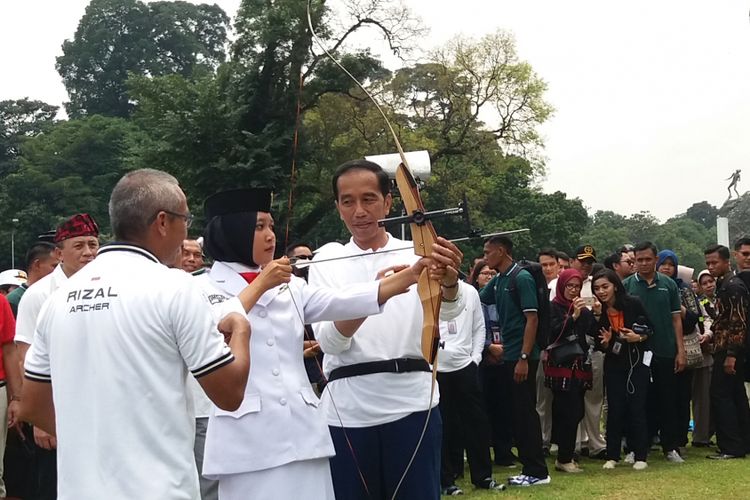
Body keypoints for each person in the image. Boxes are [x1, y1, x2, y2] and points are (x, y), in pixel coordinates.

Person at [201, 187, 464, 500]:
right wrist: (260, 284)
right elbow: (216, 324)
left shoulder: (290, 286)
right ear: (232, 231)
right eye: (259, 227)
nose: (270, 236)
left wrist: (410, 275)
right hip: (247, 440)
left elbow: (343, 300)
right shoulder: (201, 287)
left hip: (303, 434)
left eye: (271, 226)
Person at [20, 169, 253, 499]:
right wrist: (241, 328)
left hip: (80, 489)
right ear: (162, 222)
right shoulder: (175, 287)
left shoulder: (59, 297)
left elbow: (32, 403)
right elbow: (229, 393)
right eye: (184, 219)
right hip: (159, 488)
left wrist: (91, 440)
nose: (187, 229)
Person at [307, 159, 466, 500]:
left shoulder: (417, 250)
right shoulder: (326, 259)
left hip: (413, 403)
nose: (359, 211)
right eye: (347, 201)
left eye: (369, 199)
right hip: (347, 411)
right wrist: (376, 292)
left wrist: (450, 281)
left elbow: (449, 313)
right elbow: (331, 342)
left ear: (390, 202)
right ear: (337, 207)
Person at [14, 213, 101, 500]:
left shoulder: (107, 288)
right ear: (58, 252)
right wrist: (40, 418)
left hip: (99, 407)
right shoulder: (39, 295)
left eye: (93, 244)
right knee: (54, 484)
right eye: (79, 246)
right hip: (55, 409)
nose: (88, 252)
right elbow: (25, 359)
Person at [479, 235, 550, 487]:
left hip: (522, 356)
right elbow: (478, 298)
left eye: (488, 253)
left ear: (501, 251)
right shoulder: (499, 279)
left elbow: (532, 319)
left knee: (525, 413)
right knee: (516, 414)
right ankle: (530, 467)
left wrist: (523, 357)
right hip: (508, 355)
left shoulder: (521, 278)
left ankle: (537, 471)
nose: (485, 257)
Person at [623, 242, 686, 463]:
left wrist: (681, 351)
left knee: (667, 400)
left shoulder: (668, 285)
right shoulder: (627, 285)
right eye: (638, 260)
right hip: (636, 354)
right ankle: (636, 447)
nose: (643, 263)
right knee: (638, 402)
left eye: (647, 259)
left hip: (665, 350)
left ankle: (671, 447)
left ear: (655, 259)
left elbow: (676, 319)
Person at [437, 277, 501, 494]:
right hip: (436, 368)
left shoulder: (470, 291)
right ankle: (446, 480)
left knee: (477, 423)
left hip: (466, 365)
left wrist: (475, 359)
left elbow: (479, 327)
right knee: (443, 424)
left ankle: (483, 476)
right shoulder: (426, 289)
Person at [592, 269, 651, 471]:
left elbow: (650, 329)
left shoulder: (632, 303)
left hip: (636, 363)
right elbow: (600, 343)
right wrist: (607, 342)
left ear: (615, 286)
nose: (601, 291)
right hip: (614, 364)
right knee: (615, 409)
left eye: (605, 286)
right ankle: (612, 455)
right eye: (597, 288)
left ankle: (640, 455)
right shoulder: (599, 312)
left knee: (637, 408)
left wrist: (638, 337)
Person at [545, 269, 596, 473]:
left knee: (577, 411)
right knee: (566, 411)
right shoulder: (552, 307)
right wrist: (572, 317)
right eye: (569, 286)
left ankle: (567, 455)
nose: (573, 290)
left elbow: (593, 332)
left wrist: (597, 313)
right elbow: (552, 334)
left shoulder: (583, 309)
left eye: (577, 286)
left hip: (580, 366)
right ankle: (564, 458)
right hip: (560, 367)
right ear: (561, 286)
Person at [704, 244, 750, 459]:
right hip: (725, 346)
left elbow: (739, 322)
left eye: (715, 262)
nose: (711, 267)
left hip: (730, 349)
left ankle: (731, 446)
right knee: (736, 395)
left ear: (726, 262)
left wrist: (731, 354)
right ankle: (742, 442)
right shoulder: (725, 284)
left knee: (722, 396)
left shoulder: (733, 286)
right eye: (708, 263)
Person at [656, 250, 702, 450]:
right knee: (659, 397)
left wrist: (678, 307)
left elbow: (694, 319)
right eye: (663, 264)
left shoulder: (683, 289)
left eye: (670, 264)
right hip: (659, 349)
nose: (666, 268)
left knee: (681, 397)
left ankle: (679, 440)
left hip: (681, 348)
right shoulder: (654, 287)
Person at [474, 262, 517, 469]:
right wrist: (489, 347)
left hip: (504, 359)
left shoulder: (504, 298)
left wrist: (503, 349)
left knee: (505, 409)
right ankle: (481, 455)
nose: (489, 276)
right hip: (480, 361)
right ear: (476, 277)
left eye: (493, 273)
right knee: (482, 410)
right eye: (485, 273)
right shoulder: (472, 300)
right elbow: (472, 330)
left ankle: (504, 453)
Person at [567, 245, 606, 460]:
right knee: (571, 398)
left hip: (593, 345)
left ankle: (595, 442)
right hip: (568, 348)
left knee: (594, 396)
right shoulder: (561, 283)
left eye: (589, 262)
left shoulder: (596, 285)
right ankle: (573, 442)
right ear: (573, 260)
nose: (585, 266)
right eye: (582, 261)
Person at [692, 269, 716, 448]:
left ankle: (707, 434)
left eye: (711, 281)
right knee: (699, 397)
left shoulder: (724, 297)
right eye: (704, 283)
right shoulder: (698, 302)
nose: (709, 285)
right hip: (699, 353)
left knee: (709, 398)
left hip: (715, 353)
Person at [6, 242, 58, 316]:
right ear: (37, 264)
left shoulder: (56, 294)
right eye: (54, 266)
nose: (59, 270)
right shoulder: (13, 300)